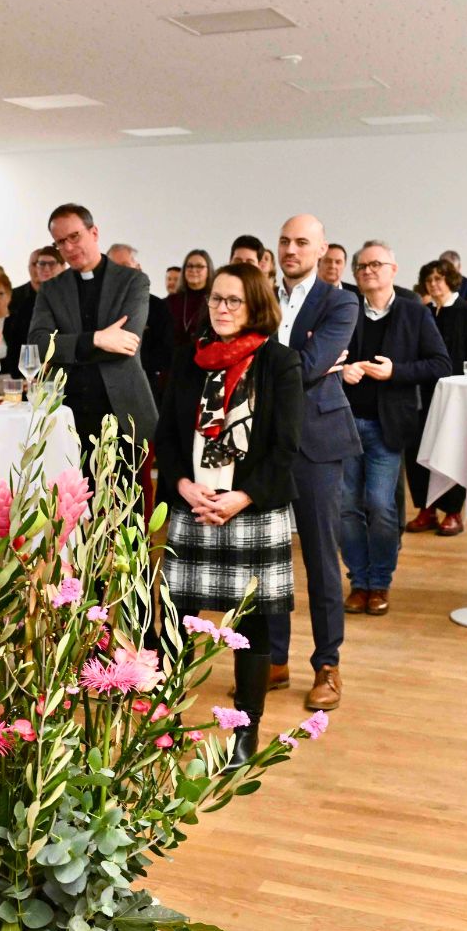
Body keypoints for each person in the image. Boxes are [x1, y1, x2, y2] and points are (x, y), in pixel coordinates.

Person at [155, 262, 304, 765]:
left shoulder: (279, 362)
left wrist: (242, 497)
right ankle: (166, 722)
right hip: (193, 505)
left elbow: (286, 448)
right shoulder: (189, 357)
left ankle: (246, 729)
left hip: (251, 509)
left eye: (233, 300)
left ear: (256, 305)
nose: (221, 308)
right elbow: (167, 436)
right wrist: (181, 485)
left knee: (252, 626)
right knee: (175, 620)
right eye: (216, 299)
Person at [338, 242, 452, 617]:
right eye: (361, 266)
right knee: (347, 509)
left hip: (387, 426)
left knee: (380, 505)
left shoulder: (413, 312)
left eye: (376, 264)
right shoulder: (345, 309)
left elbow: (441, 364)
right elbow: (324, 360)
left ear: (393, 269)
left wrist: (395, 372)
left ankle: (380, 581)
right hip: (345, 424)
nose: (368, 270)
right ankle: (359, 582)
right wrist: (341, 371)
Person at [275, 214, 361, 711]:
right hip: (264, 443)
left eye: (302, 242)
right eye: (285, 241)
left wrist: (268, 361)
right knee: (267, 555)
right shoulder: (260, 296)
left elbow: (309, 368)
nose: (291, 249)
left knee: (321, 557)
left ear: (321, 249)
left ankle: (327, 664)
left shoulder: (339, 301)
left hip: (318, 441)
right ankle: (273, 659)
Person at [29, 203, 159, 475]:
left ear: (94, 232)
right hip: (68, 411)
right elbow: (39, 344)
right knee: (68, 498)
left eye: (74, 236)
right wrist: (97, 339)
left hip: (123, 411)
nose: (68, 247)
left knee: (124, 499)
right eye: (60, 242)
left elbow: (126, 343)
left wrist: (68, 347)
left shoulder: (132, 281)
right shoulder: (51, 290)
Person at [404, 259, 467, 536]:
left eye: (438, 279)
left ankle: (453, 511)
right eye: (429, 280)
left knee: (452, 451)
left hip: (455, 396)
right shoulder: (423, 312)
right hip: (422, 393)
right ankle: (426, 509)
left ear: (450, 280)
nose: (433, 284)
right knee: (418, 451)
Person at [108, 242, 175, 399]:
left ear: (138, 268)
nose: (119, 273)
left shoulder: (157, 307)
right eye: (114, 268)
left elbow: (166, 351)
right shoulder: (99, 307)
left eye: (125, 266)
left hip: (146, 387)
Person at [4, 246, 62, 378]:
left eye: (51, 264)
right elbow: (14, 342)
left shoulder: (69, 297)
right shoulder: (18, 299)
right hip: (28, 371)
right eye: (38, 264)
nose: (43, 269)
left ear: (62, 266)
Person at [166, 248, 213, 346]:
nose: (193, 270)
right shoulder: (170, 301)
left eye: (199, 266)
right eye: (189, 266)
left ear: (209, 270)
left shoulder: (214, 302)